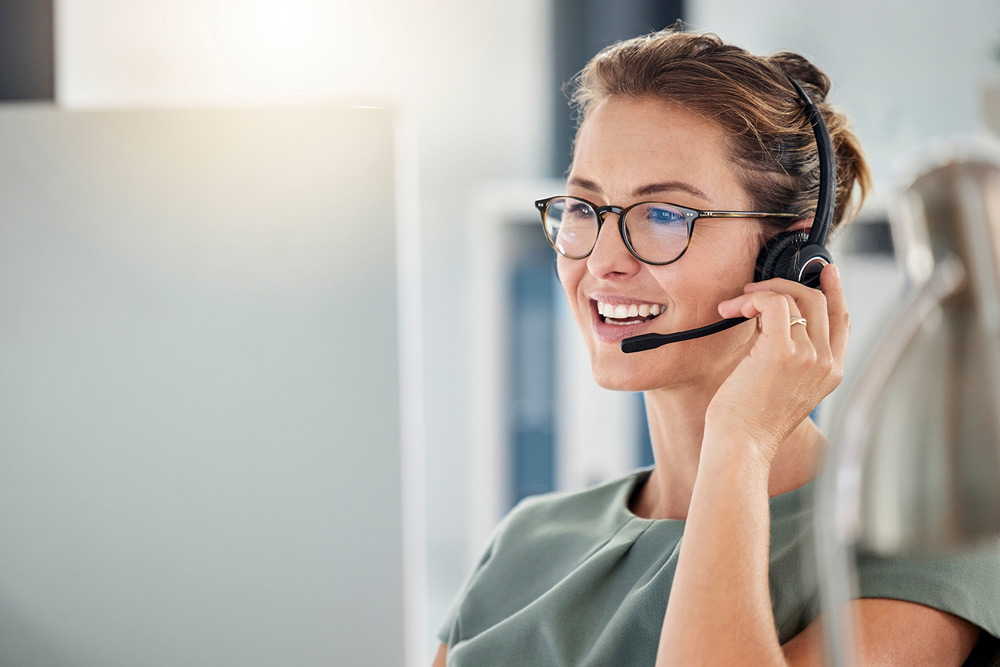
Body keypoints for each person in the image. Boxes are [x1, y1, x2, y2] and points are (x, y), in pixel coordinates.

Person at [433, 28, 1000, 666]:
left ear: (787, 260)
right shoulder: (526, 541)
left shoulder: (921, 541)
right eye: (585, 208)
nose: (603, 261)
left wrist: (743, 440)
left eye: (666, 215)